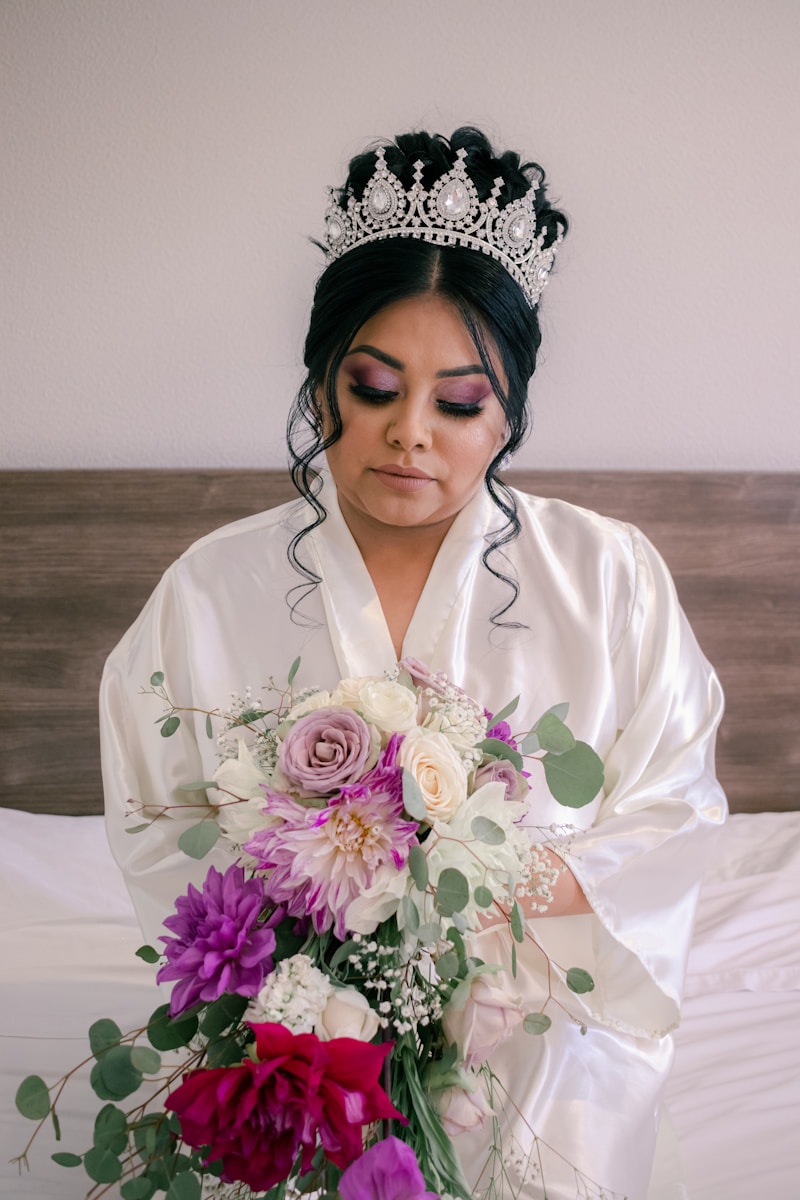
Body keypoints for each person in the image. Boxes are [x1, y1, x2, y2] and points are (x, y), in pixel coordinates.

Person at [100, 127, 726, 1200]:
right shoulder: (211, 589)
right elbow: (158, 822)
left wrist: (487, 932)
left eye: (458, 402)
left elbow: (671, 809)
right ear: (322, 383)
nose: (409, 436)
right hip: (299, 1013)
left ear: (507, 413)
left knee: (540, 1132)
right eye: (374, 386)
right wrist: (322, 974)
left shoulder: (607, 575)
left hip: (537, 1003)